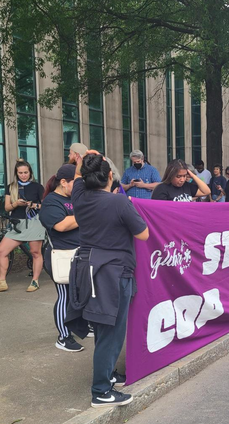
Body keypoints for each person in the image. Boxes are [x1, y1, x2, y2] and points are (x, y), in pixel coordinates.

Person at [69, 154, 149, 408]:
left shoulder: (79, 197)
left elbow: (79, 176)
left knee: (103, 329)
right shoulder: (119, 203)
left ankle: (108, 374)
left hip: (87, 269)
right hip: (112, 273)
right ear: (111, 177)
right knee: (111, 333)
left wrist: (86, 161)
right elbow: (143, 234)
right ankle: (101, 391)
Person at [40, 164, 84, 353]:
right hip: (61, 256)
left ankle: (82, 326)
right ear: (64, 182)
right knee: (65, 295)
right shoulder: (51, 201)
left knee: (82, 293)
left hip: (79, 253)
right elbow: (61, 226)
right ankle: (63, 336)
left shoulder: (74, 199)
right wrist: (87, 212)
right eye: (77, 182)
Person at [0, 159, 45, 293]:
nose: (23, 175)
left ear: (30, 173)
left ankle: (35, 281)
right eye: (20, 173)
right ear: (16, 173)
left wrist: (33, 205)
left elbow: (45, 206)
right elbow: (7, 208)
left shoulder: (38, 187)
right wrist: (16, 204)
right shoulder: (11, 187)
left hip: (34, 221)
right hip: (16, 222)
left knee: (35, 252)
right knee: (1, 251)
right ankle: (1, 282)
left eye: (26, 172)